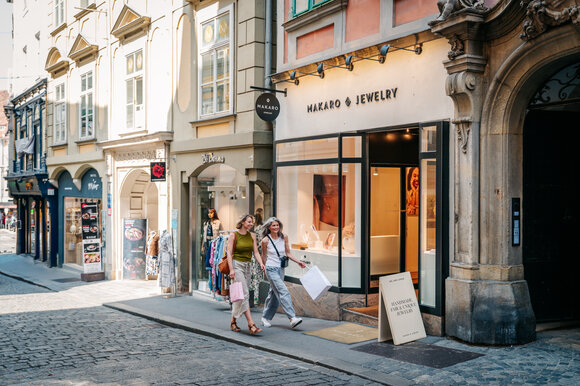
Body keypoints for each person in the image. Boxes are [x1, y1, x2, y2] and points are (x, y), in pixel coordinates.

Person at [260, 217, 307, 329]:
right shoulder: (265, 240)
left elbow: (288, 253)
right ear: (269, 227)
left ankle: (265, 317)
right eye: (273, 225)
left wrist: (298, 262)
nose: (276, 227)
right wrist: (264, 267)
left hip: (280, 269)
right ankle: (292, 318)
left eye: (277, 225)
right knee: (283, 291)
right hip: (270, 268)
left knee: (274, 294)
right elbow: (264, 256)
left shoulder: (284, 237)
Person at [227, 213, 265, 335]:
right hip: (237, 266)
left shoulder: (252, 236)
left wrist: (261, 263)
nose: (251, 224)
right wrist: (231, 269)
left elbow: (256, 252)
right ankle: (251, 324)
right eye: (249, 221)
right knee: (245, 293)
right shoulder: (234, 235)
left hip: (248, 267)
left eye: (252, 222)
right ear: (242, 222)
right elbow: (229, 253)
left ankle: (233, 321)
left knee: (240, 295)